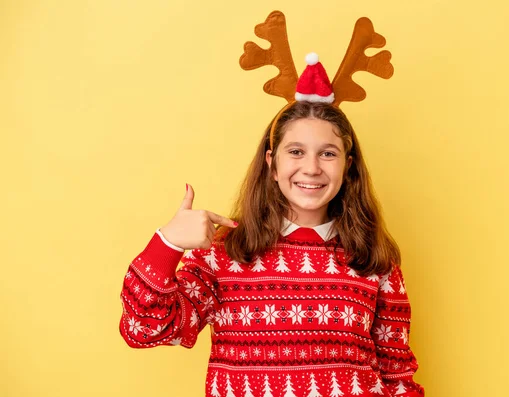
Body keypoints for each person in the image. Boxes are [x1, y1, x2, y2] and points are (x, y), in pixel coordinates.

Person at [120, 15, 424, 395]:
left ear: (348, 166)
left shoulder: (374, 258)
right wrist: (166, 244)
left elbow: (397, 375)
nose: (311, 168)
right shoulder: (223, 253)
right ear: (272, 163)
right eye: (295, 151)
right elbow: (144, 330)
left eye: (327, 153)